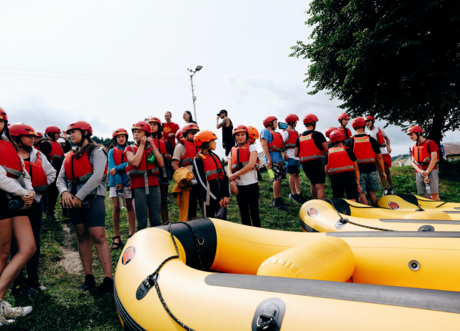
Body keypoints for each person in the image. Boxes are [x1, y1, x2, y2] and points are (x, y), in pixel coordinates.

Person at [57, 120, 113, 293]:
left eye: (74, 132)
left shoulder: (97, 151)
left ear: (86, 133)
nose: (70, 135)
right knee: (81, 236)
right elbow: (60, 179)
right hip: (73, 199)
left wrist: (78, 197)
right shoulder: (69, 155)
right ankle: (89, 277)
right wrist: (65, 192)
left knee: (98, 236)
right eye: (69, 132)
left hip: (93, 198)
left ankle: (108, 279)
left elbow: (97, 176)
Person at [9, 123, 56, 295]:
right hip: (16, 205)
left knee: (35, 241)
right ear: (16, 138)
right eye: (28, 136)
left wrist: (39, 189)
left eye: (33, 136)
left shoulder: (39, 155)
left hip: (35, 203)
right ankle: (18, 283)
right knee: (16, 244)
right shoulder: (9, 156)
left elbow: (51, 173)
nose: (33, 138)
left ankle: (33, 279)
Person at [0, 109, 35, 324]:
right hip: (4, 196)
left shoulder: (10, 144)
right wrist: (22, 193)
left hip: (15, 197)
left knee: (28, 247)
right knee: (2, 253)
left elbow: (23, 171)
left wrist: (29, 192)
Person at [125, 121, 164, 230]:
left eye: (139, 132)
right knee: (141, 221)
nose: (136, 134)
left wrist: (153, 146)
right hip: (138, 187)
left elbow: (161, 163)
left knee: (156, 219)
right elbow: (135, 163)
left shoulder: (152, 148)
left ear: (146, 134)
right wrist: (142, 145)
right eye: (134, 132)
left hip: (154, 185)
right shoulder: (129, 149)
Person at [346, 118, 386, 206]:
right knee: (372, 193)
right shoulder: (372, 140)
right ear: (364, 125)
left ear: (353, 127)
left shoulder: (350, 142)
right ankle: (376, 210)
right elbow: (379, 157)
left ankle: (367, 213)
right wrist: (383, 172)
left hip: (358, 172)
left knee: (361, 193)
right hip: (372, 169)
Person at [227, 125, 261, 227]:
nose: (240, 137)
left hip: (252, 184)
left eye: (242, 135)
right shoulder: (232, 150)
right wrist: (232, 183)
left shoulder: (252, 147)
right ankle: (247, 234)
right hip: (239, 186)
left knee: (254, 210)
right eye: (238, 135)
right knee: (243, 211)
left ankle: (259, 232)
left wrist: (234, 175)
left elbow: (251, 165)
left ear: (246, 136)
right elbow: (229, 169)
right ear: (235, 137)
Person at [108, 128, 135, 250]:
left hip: (128, 182)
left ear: (126, 138)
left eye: (123, 136)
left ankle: (131, 234)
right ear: (115, 139)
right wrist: (118, 181)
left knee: (129, 206)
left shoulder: (131, 149)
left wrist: (119, 168)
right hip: (115, 183)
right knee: (116, 207)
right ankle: (116, 236)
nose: (121, 138)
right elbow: (111, 168)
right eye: (119, 137)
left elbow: (130, 164)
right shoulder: (111, 152)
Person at [193, 130, 230, 218]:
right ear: (205, 143)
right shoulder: (197, 159)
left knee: (222, 225)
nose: (215, 143)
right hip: (208, 199)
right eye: (213, 141)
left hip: (221, 197)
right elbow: (202, 183)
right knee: (209, 225)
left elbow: (224, 177)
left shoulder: (215, 157)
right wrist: (217, 198)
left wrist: (226, 195)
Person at [41, 125, 72, 222]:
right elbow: (43, 159)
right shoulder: (46, 144)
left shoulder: (57, 144)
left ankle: (65, 213)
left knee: (64, 192)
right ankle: (50, 213)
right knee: (53, 194)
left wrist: (66, 140)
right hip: (53, 172)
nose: (58, 135)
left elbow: (67, 150)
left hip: (61, 171)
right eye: (57, 133)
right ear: (50, 133)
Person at [172, 123, 202, 220]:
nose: (194, 136)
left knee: (205, 206)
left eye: (196, 133)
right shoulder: (180, 147)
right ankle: (192, 229)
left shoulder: (201, 146)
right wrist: (184, 178)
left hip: (201, 182)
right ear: (185, 134)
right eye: (192, 133)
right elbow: (175, 165)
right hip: (189, 183)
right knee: (191, 210)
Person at [295, 114, 328, 200]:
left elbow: (295, 153)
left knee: (313, 183)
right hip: (317, 163)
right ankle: (322, 207)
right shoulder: (318, 134)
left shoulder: (300, 137)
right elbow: (327, 149)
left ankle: (315, 203)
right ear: (313, 123)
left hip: (306, 165)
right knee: (320, 186)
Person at [148, 117, 173, 225]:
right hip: (152, 175)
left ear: (159, 127)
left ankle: (166, 224)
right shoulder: (146, 142)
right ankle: (154, 224)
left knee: (163, 201)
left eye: (154, 124)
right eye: (150, 124)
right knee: (152, 202)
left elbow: (169, 156)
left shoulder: (165, 143)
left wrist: (168, 158)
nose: (152, 126)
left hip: (163, 174)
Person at [324, 130, 361, 201]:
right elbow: (356, 168)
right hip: (350, 178)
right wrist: (358, 183)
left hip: (335, 179)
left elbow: (326, 170)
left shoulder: (328, 152)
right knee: (352, 199)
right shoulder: (348, 149)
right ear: (342, 138)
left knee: (339, 200)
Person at [261, 116, 288, 211]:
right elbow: (264, 145)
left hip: (279, 159)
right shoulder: (265, 131)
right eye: (275, 122)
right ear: (269, 123)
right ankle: (276, 200)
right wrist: (269, 160)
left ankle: (279, 198)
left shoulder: (277, 133)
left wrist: (284, 154)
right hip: (272, 159)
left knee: (279, 179)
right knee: (276, 179)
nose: (277, 124)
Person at [407, 125, 440, 201]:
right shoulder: (414, 147)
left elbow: (434, 159)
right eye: (409, 135)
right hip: (420, 171)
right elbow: (413, 162)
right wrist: (421, 171)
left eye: (411, 135)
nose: (410, 137)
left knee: (433, 194)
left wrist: (427, 172)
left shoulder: (430, 143)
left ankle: (439, 211)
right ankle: (430, 211)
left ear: (418, 133)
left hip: (431, 170)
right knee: (426, 194)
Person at [365, 115, 394, 195]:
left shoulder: (380, 129)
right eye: (366, 122)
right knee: (380, 172)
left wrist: (388, 147)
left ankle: (391, 188)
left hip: (383, 152)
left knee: (387, 170)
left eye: (369, 121)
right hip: (375, 154)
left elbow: (387, 139)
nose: (368, 123)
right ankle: (385, 189)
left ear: (373, 121)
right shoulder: (366, 133)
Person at [282, 114, 305, 203]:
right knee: (292, 174)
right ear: (291, 122)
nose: (296, 123)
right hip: (289, 156)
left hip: (296, 157)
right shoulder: (286, 132)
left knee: (297, 175)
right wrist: (284, 154)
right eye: (295, 122)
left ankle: (299, 193)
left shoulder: (296, 133)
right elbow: (281, 143)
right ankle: (293, 193)